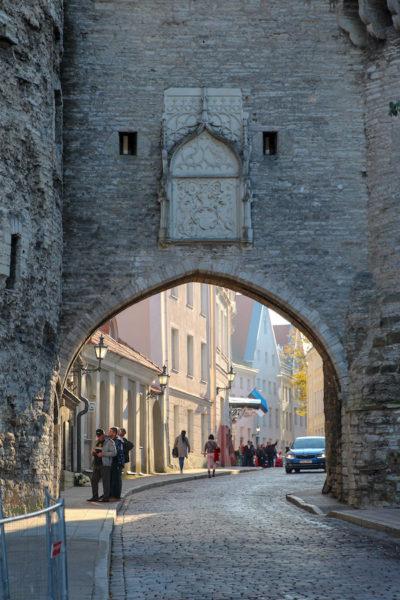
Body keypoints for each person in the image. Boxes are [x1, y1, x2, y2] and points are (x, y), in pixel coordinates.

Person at [87, 428, 116, 503]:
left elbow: (114, 453)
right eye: (97, 435)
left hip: (105, 465)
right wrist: (93, 452)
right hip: (96, 464)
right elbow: (95, 449)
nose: (98, 437)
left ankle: (106, 498)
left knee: (105, 482)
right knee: (93, 480)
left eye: (100, 435)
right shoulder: (97, 441)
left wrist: (103, 454)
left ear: (103, 434)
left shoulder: (110, 442)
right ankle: (95, 497)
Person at [109, 426, 125, 500]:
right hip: (112, 462)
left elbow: (117, 451)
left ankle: (117, 495)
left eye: (111, 431)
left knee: (117, 479)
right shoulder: (111, 440)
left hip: (117, 462)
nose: (109, 433)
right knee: (112, 479)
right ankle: (111, 494)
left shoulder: (118, 441)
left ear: (115, 433)